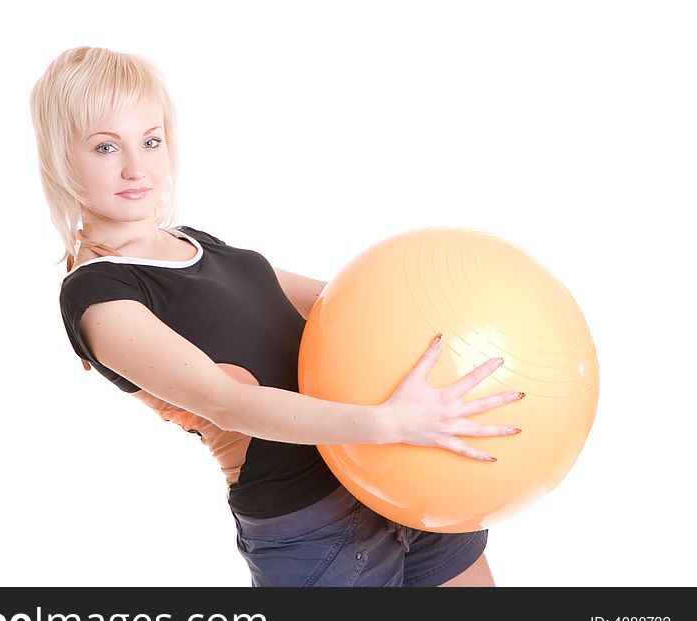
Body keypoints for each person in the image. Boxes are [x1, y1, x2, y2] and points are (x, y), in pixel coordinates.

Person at [30, 46, 525, 587]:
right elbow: (228, 402)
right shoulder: (98, 294)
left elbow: (336, 302)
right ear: (60, 157)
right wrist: (389, 423)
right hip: (317, 527)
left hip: (401, 470)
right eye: (106, 147)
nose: (136, 167)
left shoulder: (196, 243)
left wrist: (461, 301)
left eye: (150, 141)